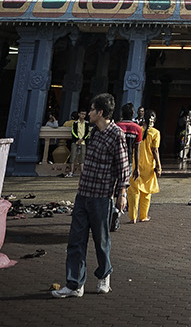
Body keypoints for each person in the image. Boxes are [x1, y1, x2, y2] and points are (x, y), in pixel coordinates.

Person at [52, 93, 129, 298]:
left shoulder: (116, 135)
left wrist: (122, 193)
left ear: (100, 112)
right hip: (84, 192)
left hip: (102, 196)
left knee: (101, 240)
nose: (89, 113)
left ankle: (104, 274)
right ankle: (75, 284)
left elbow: (123, 167)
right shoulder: (94, 132)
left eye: (92, 109)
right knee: (76, 239)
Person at [128, 110, 161, 223]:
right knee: (146, 192)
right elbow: (155, 150)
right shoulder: (155, 133)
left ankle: (133, 217)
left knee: (133, 191)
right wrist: (159, 166)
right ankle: (143, 216)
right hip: (148, 165)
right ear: (154, 120)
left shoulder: (137, 130)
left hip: (136, 163)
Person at [68, 109, 87, 177]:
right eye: (81, 114)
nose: (83, 116)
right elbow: (73, 132)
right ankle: (71, 171)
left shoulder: (86, 123)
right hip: (75, 141)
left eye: (84, 114)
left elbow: (87, 133)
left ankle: (82, 172)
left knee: (82, 157)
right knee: (73, 156)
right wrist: (77, 139)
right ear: (79, 114)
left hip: (83, 142)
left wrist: (82, 139)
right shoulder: (75, 123)